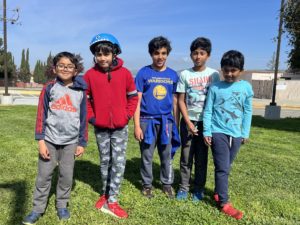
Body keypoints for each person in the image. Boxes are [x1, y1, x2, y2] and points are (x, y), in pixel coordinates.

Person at [23, 52, 88, 224]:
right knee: (44, 176)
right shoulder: (49, 88)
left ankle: (61, 205)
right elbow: (41, 115)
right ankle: (37, 208)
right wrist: (41, 141)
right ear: (54, 68)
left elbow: (83, 119)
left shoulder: (81, 91)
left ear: (76, 70)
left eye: (69, 66)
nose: (65, 69)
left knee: (66, 175)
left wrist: (81, 142)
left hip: (70, 142)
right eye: (61, 65)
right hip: (50, 140)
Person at [84, 33, 138, 219]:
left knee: (118, 162)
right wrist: (93, 119)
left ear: (114, 53)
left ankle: (113, 200)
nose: (102, 58)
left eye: (106, 54)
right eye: (99, 54)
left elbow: (133, 97)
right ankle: (105, 193)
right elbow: (86, 100)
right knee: (105, 160)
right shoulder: (90, 75)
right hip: (100, 126)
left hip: (120, 127)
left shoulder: (125, 73)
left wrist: (127, 116)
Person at [203, 50, 253, 220]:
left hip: (237, 134)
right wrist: (207, 131)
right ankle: (224, 203)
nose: (230, 74)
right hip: (218, 132)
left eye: (234, 70)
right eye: (226, 70)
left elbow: (247, 111)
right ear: (221, 70)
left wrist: (245, 132)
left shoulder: (246, 87)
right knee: (223, 168)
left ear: (241, 71)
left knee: (226, 166)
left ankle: (218, 191)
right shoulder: (215, 87)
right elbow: (208, 110)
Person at [133, 36, 180, 199]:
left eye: (163, 53)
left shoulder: (173, 75)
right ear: (150, 54)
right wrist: (137, 125)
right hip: (147, 121)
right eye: (156, 53)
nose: (160, 57)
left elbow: (175, 102)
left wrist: (175, 124)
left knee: (166, 154)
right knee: (147, 155)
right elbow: (136, 101)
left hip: (166, 121)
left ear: (167, 54)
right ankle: (147, 185)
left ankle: (167, 184)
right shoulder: (143, 73)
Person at [176, 37, 220, 201]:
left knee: (201, 158)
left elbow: (216, 100)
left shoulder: (214, 75)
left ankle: (198, 189)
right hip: (188, 121)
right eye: (195, 53)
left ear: (208, 55)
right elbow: (181, 100)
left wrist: (209, 125)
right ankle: (183, 187)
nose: (198, 56)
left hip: (205, 124)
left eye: (202, 53)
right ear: (191, 55)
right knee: (186, 157)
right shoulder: (185, 74)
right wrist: (187, 122)